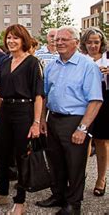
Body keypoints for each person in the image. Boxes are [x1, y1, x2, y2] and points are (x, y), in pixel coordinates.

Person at [36, 26, 103, 214]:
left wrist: (82, 128)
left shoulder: (87, 66)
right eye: (57, 40)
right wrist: (42, 119)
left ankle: (74, 204)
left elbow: (96, 100)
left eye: (64, 39)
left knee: (75, 164)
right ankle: (58, 195)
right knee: (55, 161)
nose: (59, 43)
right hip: (54, 119)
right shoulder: (52, 66)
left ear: (75, 41)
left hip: (75, 120)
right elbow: (45, 95)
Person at [0, 24, 44, 215]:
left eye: (16, 38)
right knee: (1, 153)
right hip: (5, 112)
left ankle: (20, 201)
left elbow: (38, 96)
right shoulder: (4, 62)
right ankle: (1, 192)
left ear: (23, 40)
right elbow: (0, 93)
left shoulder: (32, 63)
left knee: (22, 158)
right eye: (9, 38)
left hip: (24, 111)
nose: (11, 41)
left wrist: (36, 123)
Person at [79, 27, 108, 197]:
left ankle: (101, 179)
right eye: (89, 42)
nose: (93, 45)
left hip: (105, 101)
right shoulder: (81, 59)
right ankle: (80, 176)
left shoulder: (107, 58)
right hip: (85, 101)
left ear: (101, 43)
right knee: (84, 139)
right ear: (84, 44)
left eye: (96, 42)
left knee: (102, 141)